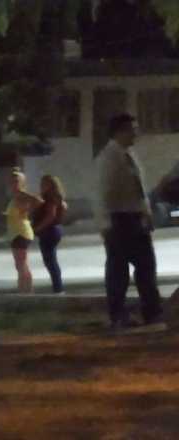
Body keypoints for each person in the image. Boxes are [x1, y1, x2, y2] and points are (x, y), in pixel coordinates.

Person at [97, 113, 165, 331]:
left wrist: (146, 214)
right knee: (119, 271)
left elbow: (139, 189)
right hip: (119, 219)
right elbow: (100, 193)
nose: (136, 133)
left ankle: (152, 314)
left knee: (146, 266)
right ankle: (118, 316)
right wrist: (106, 224)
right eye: (132, 129)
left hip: (135, 219)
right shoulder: (108, 158)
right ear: (120, 131)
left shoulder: (129, 155)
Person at [5, 168, 42, 294]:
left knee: (21, 264)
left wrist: (28, 210)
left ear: (22, 182)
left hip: (21, 232)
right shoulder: (16, 196)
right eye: (12, 180)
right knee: (20, 264)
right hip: (16, 232)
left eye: (16, 180)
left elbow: (38, 201)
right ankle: (25, 290)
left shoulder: (21, 194)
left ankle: (26, 291)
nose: (13, 183)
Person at [33, 175, 68, 294]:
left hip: (49, 232)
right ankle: (58, 287)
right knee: (51, 260)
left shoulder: (51, 199)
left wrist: (37, 229)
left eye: (44, 184)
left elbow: (50, 216)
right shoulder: (55, 198)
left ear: (51, 185)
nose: (41, 186)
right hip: (53, 230)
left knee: (50, 261)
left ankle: (58, 288)